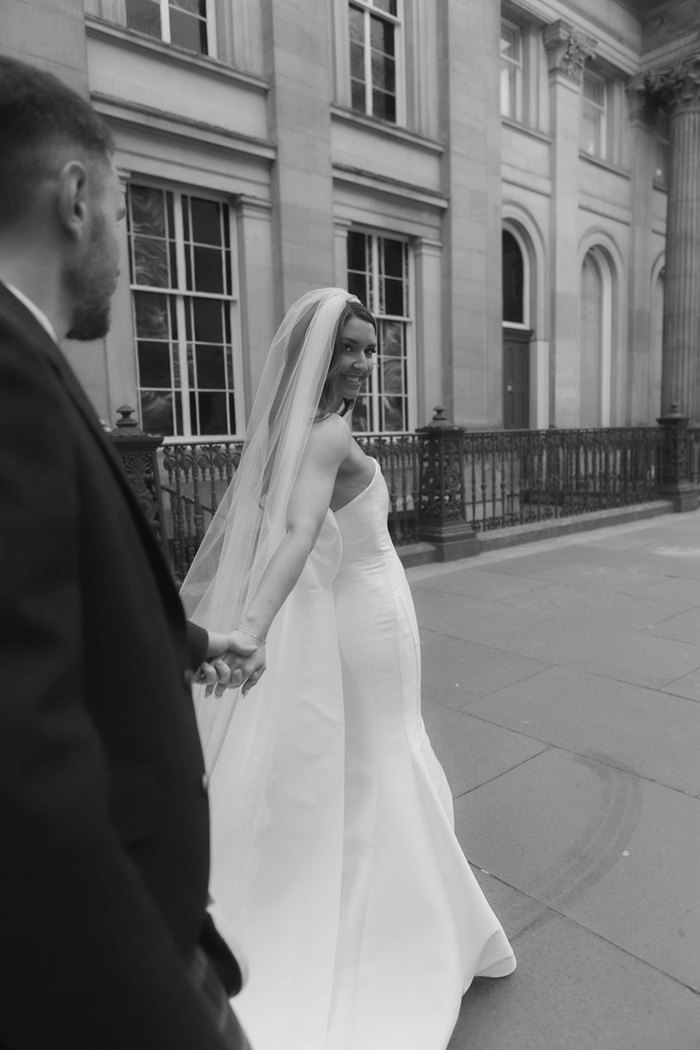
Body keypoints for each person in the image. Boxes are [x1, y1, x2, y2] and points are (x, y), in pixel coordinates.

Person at [0, 56, 264, 1049]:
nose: (129, 244)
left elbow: (49, 605)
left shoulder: (27, 357)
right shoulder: (8, 372)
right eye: (124, 210)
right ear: (75, 199)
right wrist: (162, 1010)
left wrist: (191, 638)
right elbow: (21, 768)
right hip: (119, 971)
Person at [182, 288, 516, 1050]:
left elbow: (294, 531)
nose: (366, 362)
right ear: (318, 357)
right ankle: (408, 925)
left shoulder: (287, 429)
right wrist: (254, 629)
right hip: (368, 615)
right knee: (387, 752)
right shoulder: (327, 433)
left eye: (371, 348)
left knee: (376, 753)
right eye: (352, 349)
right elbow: (299, 534)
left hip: (359, 611)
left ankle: (400, 906)